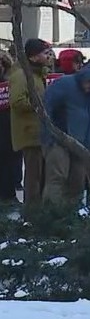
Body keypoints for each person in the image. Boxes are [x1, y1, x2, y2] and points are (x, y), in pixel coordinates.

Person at [40, 61, 90, 204]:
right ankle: (51, 217)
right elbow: (46, 109)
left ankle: (71, 218)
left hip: (82, 146)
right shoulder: (64, 84)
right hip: (59, 141)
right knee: (57, 179)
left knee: (77, 183)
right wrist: (49, 139)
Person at [9, 38, 53, 206]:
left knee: (40, 175)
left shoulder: (37, 74)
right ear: (33, 57)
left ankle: (38, 210)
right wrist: (40, 106)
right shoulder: (22, 75)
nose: (48, 57)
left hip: (39, 132)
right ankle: (32, 212)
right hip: (30, 132)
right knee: (33, 176)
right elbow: (18, 102)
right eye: (45, 53)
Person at [0, 52, 19, 208]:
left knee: (8, 163)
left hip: (8, 128)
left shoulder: (11, 82)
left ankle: (9, 196)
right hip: (8, 127)